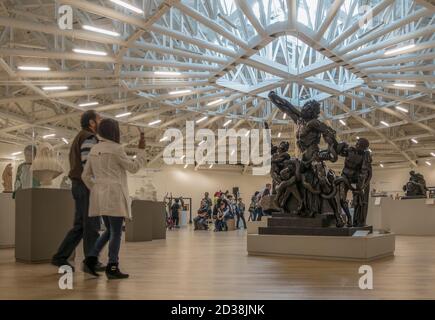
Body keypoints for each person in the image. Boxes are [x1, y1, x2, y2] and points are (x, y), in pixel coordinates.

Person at [82, 118, 146, 279]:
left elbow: (85, 176)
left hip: (100, 196)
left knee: (110, 230)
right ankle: (112, 266)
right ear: (114, 131)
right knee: (116, 232)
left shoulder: (94, 149)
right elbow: (133, 168)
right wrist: (141, 151)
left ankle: (90, 259)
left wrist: (96, 188)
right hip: (115, 195)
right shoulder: (116, 149)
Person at [51, 110, 102, 271]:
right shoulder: (89, 137)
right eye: (99, 119)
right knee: (91, 224)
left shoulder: (80, 136)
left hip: (78, 184)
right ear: (92, 122)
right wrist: (95, 186)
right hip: (85, 185)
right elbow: (88, 164)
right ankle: (90, 263)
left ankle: (60, 257)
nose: (101, 121)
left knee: (80, 225)